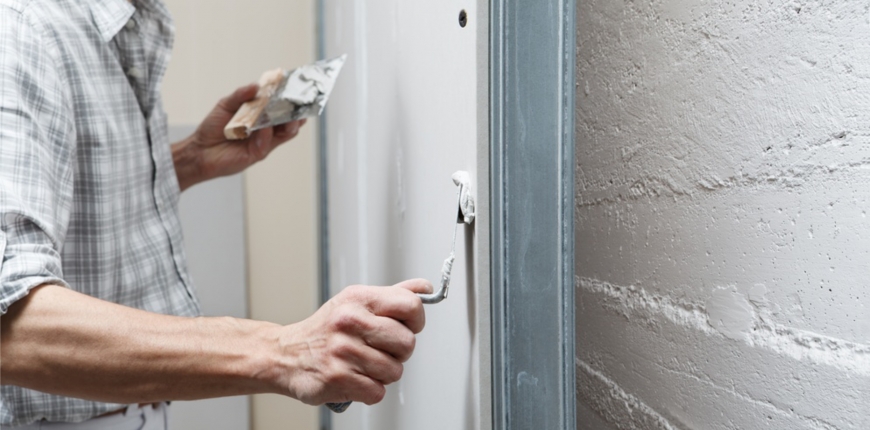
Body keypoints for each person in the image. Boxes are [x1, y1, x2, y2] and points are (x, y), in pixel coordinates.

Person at [0, 0, 431, 427]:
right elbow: (13, 331)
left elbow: (65, 194)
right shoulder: (21, 30)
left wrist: (190, 160)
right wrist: (287, 352)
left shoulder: (111, 23)